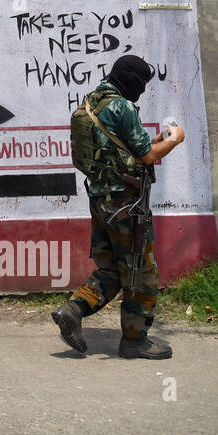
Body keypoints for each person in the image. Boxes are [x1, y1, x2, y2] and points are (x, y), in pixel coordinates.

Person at [52, 54, 186, 359]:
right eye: (142, 84)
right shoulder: (123, 107)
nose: (141, 90)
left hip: (101, 200)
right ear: (132, 81)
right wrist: (175, 139)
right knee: (140, 269)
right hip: (128, 203)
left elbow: (132, 148)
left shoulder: (91, 103)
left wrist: (156, 140)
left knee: (111, 267)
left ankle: (73, 309)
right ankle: (134, 341)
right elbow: (148, 157)